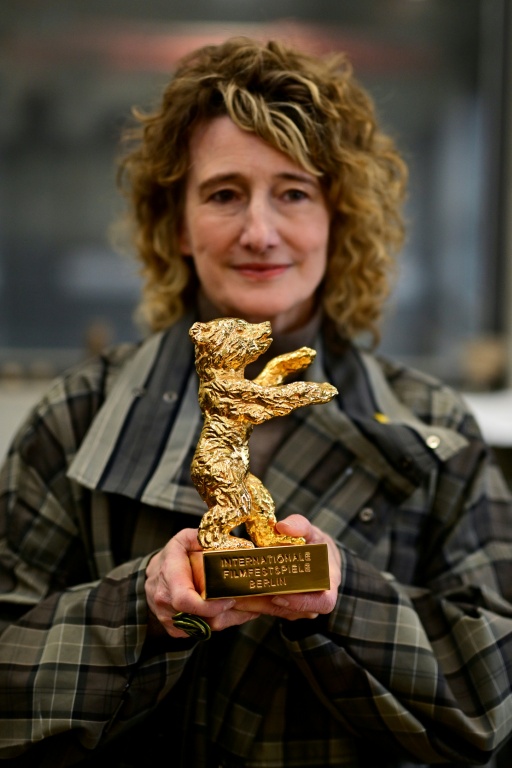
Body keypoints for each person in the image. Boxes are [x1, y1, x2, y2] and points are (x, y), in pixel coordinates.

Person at [0, 36, 511, 768]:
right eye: (224, 193)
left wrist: (346, 594)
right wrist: (138, 608)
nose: (260, 232)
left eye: (294, 192)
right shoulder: (75, 417)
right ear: (175, 223)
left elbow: (495, 700)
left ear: (339, 220)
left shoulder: (438, 432)